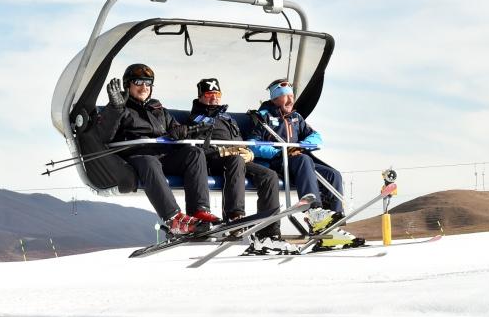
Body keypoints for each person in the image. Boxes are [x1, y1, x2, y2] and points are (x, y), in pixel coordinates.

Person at [92, 63, 219, 235]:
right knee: (148, 161)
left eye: (148, 83)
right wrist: (116, 108)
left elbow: (176, 128)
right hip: (137, 156)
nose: (144, 87)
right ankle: (173, 218)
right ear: (128, 84)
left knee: (194, 153)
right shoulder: (119, 106)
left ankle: (199, 210)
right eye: (138, 82)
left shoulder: (158, 109)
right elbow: (104, 135)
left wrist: (179, 131)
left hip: (163, 154)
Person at [249, 79, 357, 246]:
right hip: (278, 162)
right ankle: (314, 211)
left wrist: (302, 146)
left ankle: (331, 224)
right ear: (274, 99)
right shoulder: (263, 117)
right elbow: (253, 144)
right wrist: (281, 151)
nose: (291, 100)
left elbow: (316, 136)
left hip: (299, 161)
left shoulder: (296, 118)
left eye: (292, 96)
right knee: (303, 159)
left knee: (332, 174)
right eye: (285, 97)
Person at [188, 78, 281, 240]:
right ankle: (234, 216)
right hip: (215, 161)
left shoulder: (227, 118)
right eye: (210, 94)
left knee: (269, 175)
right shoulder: (197, 118)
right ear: (201, 96)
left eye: (217, 94)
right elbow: (198, 149)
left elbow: (241, 142)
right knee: (236, 160)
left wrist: (249, 153)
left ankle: (269, 229)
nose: (214, 97)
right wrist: (224, 151)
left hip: (237, 159)